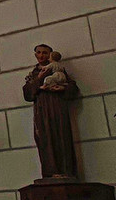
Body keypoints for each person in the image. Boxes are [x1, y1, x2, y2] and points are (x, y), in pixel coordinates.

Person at [23, 44, 79, 179]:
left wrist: (62, 89)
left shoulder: (57, 69)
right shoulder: (34, 73)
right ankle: (50, 172)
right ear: (35, 54)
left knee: (62, 137)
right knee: (44, 139)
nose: (41, 55)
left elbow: (72, 87)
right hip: (41, 111)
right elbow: (27, 94)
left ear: (50, 54)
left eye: (45, 53)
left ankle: (66, 171)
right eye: (39, 53)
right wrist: (38, 79)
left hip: (57, 107)